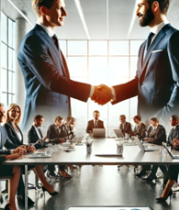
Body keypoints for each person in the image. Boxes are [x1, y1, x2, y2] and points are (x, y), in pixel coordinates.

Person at [94, 0, 179, 126]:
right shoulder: (142, 47)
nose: (137, 12)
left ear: (155, 6)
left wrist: (164, 120)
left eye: (140, 6)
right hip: (145, 124)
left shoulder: (175, 37)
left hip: (163, 126)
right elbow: (139, 82)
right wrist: (111, 92)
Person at [18, 0, 112, 131]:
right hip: (41, 125)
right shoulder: (33, 40)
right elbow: (53, 80)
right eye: (59, 8)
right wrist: (94, 91)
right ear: (44, 10)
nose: (65, 13)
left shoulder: (50, 40)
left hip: (54, 124)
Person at [0, 103, 33, 208]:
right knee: (16, 169)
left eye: (3, 112)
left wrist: (24, 147)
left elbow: (9, 144)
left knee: (20, 167)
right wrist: (11, 152)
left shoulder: (2, 128)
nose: (1, 114)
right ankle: (14, 202)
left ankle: (13, 202)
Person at [4, 103, 58, 198]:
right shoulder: (6, 126)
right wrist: (24, 147)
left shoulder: (16, 126)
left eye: (17, 111)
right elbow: (9, 144)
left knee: (38, 161)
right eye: (13, 111)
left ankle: (45, 185)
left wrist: (27, 146)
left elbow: (19, 142)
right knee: (36, 162)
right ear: (8, 112)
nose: (15, 113)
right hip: (13, 156)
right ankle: (44, 186)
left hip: (20, 154)